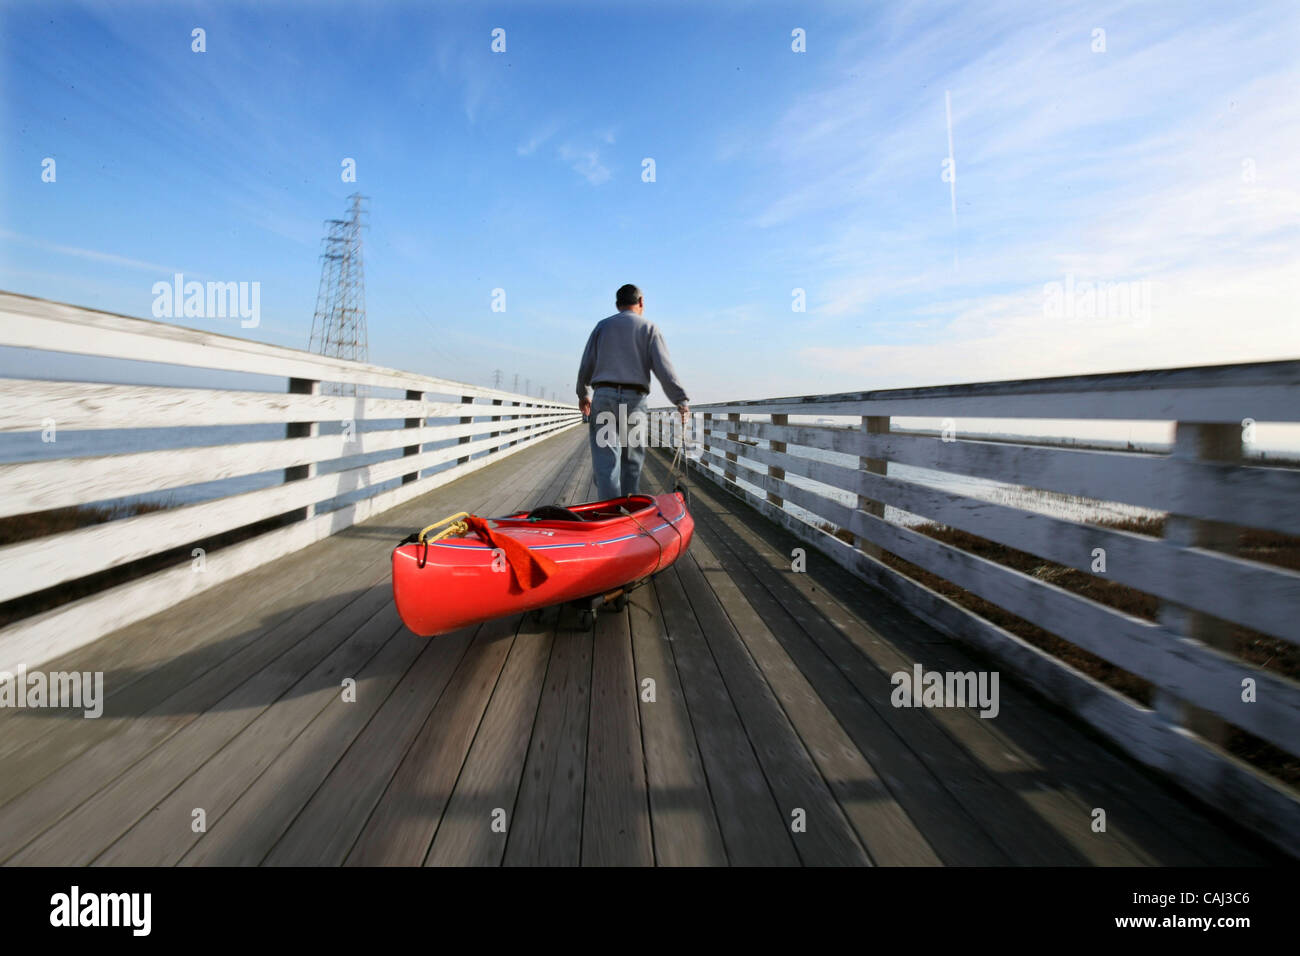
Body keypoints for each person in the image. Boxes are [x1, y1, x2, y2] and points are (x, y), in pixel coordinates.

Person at [576, 284, 690, 500]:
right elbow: (665, 370)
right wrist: (681, 400)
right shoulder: (649, 328)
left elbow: (586, 365)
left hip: (605, 398)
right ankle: (629, 514)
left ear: (617, 304)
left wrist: (583, 393)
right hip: (634, 401)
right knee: (632, 463)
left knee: (606, 463)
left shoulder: (602, 327)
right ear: (641, 302)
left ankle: (609, 516)